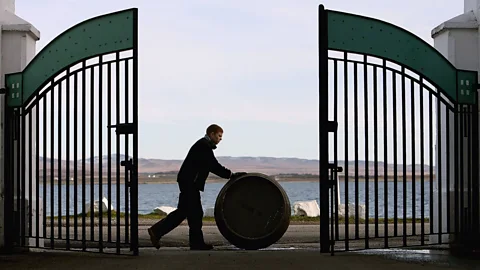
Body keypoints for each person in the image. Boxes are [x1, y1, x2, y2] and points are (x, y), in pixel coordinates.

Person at [147, 124, 247, 250]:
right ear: (211, 134)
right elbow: (213, 165)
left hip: (188, 182)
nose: (220, 139)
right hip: (190, 183)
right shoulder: (203, 146)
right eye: (219, 136)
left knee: (185, 212)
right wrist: (231, 174)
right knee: (195, 213)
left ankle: (159, 232)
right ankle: (192, 242)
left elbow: (211, 165)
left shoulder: (203, 145)